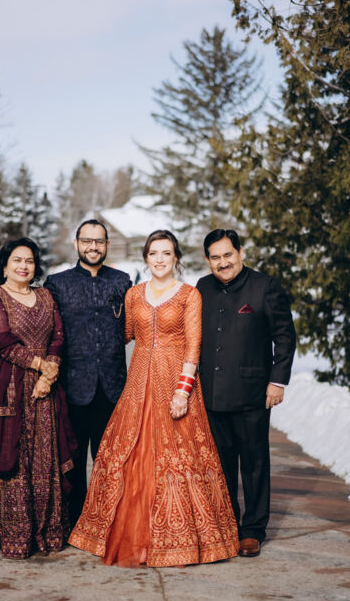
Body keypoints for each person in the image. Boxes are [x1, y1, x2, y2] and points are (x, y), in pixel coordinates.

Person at [69, 230, 240, 567]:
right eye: (153, 253)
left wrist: (183, 390)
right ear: (146, 258)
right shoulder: (134, 294)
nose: (159, 259)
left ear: (176, 258)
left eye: (166, 253)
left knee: (179, 457)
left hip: (175, 380)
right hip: (138, 381)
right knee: (129, 453)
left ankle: (180, 540)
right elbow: (124, 334)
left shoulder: (189, 295)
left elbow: (193, 346)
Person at [0, 238, 76, 559]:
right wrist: (42, 367)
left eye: (29, 261)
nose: (24, 266)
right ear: (5, 266)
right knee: (10, 454)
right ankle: (2, 533)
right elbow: (2, 342)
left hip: (43, 390)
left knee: (42, 457)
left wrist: (49, 374)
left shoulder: (46, 296)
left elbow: (58, 337)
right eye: (17, 260)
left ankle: (43, 532)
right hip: (7, 386)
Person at [196, 229, 296, 558]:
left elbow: (285, 337)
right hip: (212, 392)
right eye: (215, 257)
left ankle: (252, 530)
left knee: (254, 463)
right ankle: (228, 525)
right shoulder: (202, 288)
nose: (223, 262)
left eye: (228, 254)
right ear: (207, 260)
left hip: (253, 393)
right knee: (221, 464)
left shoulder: (264, 286)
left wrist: (277, 381)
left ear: (240, 252)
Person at [44, 219, 132, 527]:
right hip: (72, 386)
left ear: (107, 245)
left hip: (113, 386)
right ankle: (75, 521)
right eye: (87, 241)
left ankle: (106, 522)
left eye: (98, 241)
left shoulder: (122, 281)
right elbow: (49, 332)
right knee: (74, 459)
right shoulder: (57, 284)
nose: (93, 247)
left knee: (111, 459)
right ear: (76, 244)